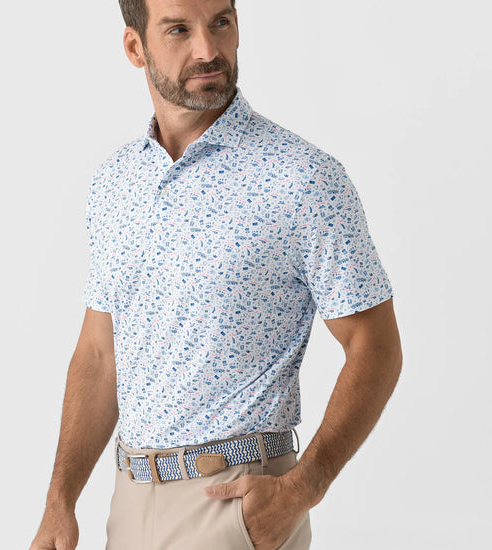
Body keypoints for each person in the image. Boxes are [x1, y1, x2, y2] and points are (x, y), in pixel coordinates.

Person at [29, 0, 403, 549]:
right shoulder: (115, 183)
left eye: (221, 23)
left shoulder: (302, 178)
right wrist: (59, 502)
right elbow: (99, 353)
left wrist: (303, 488)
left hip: (235, 503)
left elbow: (376, 345)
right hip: (128, 503)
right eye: (178, 30)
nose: (207, 50)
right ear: (135, 46)